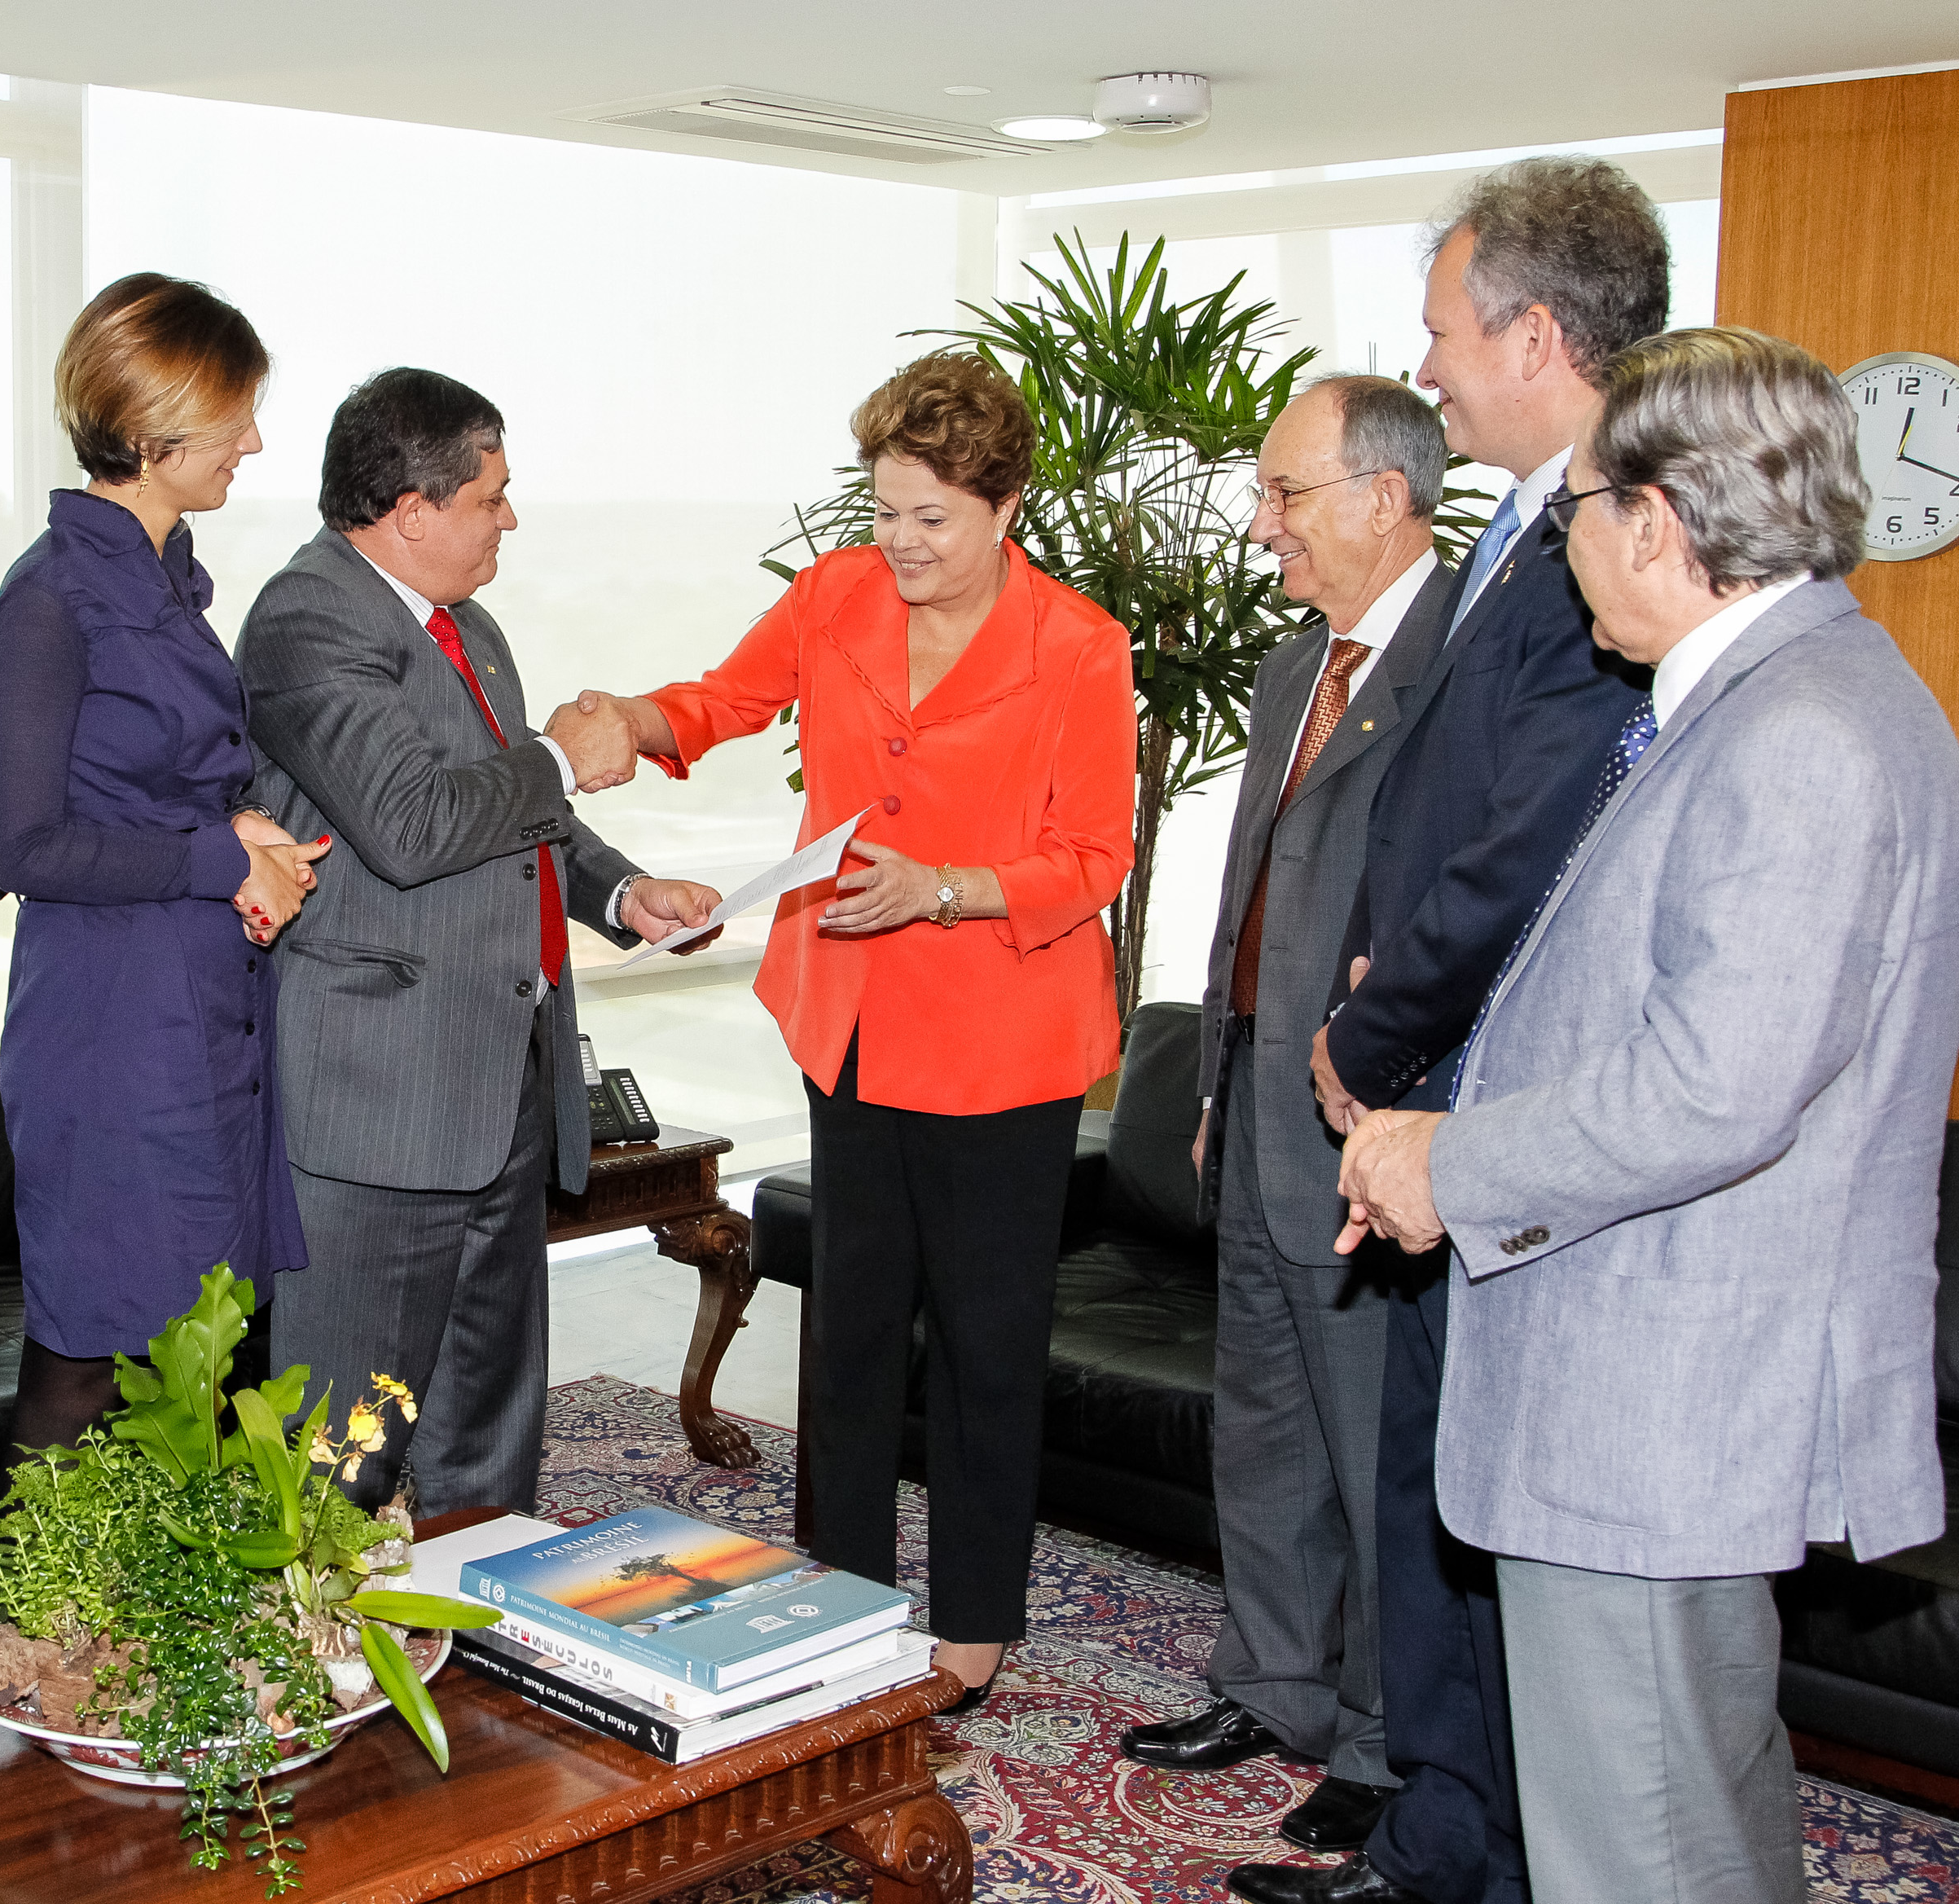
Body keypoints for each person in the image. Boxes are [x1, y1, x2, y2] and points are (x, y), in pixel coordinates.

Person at [1336, 327, 1959, 1904]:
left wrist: (1446, 1157)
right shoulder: (1785, 690)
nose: (1562, 545)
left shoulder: (1799, 731)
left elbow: (1712, 1085)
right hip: (1653, 1376)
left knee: (1636, 1834)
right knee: (1690, 1793)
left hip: (1658, 1393)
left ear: (1656, 522)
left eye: (1575, 512)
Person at [581, 352, 1135, 1708]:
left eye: (929, 516)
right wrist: (628, 720)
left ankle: (975, 1626)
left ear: (1003, 504)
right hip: (853, 1025)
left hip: (1003, 1040)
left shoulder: (1076, 645)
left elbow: (1092, 857)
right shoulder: (835, 593)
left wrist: (944, 888)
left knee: (985, 1342)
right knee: (847, 1328)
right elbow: (723, 700)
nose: (897, 543)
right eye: (883, 510)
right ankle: (839, 1602)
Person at [1258, 156, 1668, 1904]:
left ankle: (1481, 1858)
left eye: (1441, 332)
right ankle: (1433, 1842)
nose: (1426, 369)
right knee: (1438, 1504)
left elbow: (1514, 845)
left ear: (1535, 332)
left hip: (1487, 1102)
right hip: (1431, 1096)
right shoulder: (1527, 530)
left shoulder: (1623, 543)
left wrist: (1374, 1036)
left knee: (1478, 1524)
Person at [236, 367, 719, 1516]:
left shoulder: (470, 626)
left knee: (488, 1417)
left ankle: (479, 1655)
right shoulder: (307, 617)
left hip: (502, 1075)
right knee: (344, 1443)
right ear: (411, 507)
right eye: (490, 496)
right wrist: (556, 754)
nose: (509, 518)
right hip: (382, 1100)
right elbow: (411, 825)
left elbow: (518, 811)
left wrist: (623, 891)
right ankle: (319, 1675)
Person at [1118, 377, 1459, 1856]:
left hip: (1370, 1120)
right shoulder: (1287, 665)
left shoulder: (1464, 665)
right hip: (1253, 1093)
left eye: (1285, 496)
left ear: (1382, 498)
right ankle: (1270, 1679)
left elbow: (1462, 917)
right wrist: (1208, 1076)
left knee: (1372, 1441)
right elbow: (1246, 892)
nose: (1261, 527)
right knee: (1261, 1421)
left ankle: (1386, 1741)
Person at [0, 272, 327, 1460]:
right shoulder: (50, 597)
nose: (253, 441)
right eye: (232, 417)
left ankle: (171, 1629)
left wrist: (252, 839)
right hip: (112, 1023)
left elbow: (174, 782)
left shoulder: (167, 579)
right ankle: (25, 1634)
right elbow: (24, 843)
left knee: (206, 1348)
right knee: (94, 1349)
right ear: (147, 428)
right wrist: (216, 851)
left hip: (200, 1007)